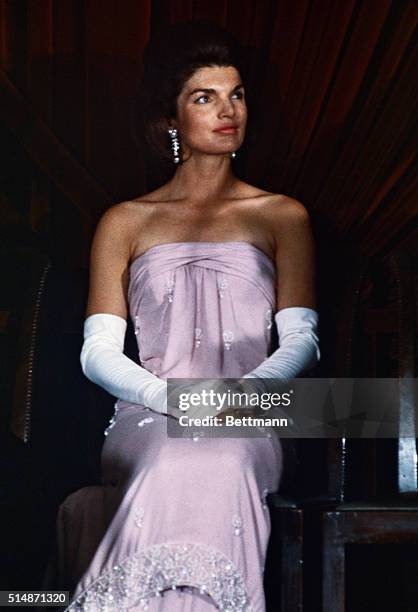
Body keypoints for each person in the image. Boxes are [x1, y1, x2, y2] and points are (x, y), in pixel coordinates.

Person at [43, 21, 320, 612]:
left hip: (253, 411)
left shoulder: (282, 215)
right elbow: (97, 352)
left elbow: (302, 340)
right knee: (174, 453)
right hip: (148, 411)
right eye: (205, 97)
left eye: (237, 94)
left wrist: (244, 394)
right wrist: (170, 398)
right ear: (171, 120)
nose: (228, 110)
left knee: (219, 453)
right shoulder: (126, 221)